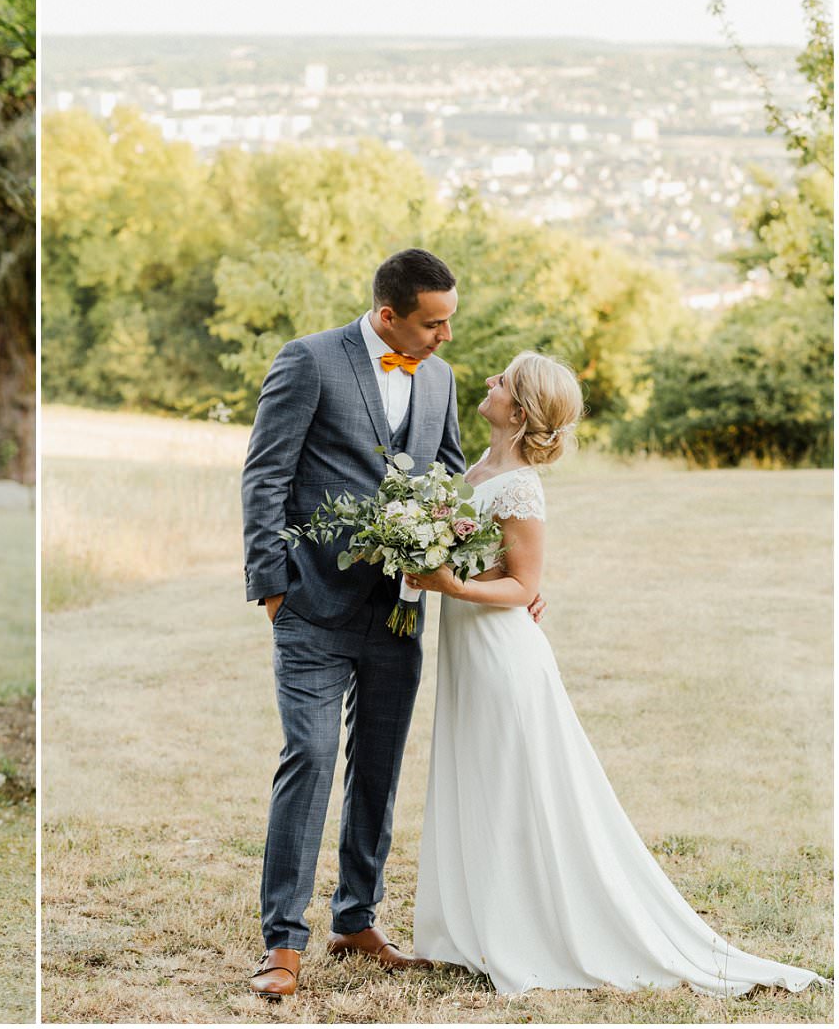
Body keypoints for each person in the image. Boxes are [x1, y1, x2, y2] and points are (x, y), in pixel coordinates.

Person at [405, 353, 822, 996]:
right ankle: (473, 926)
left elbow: (524, 586)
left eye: (504, 382)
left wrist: (449, 584)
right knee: (476, 775)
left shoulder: (521, 486)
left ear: (519, 410)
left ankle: (526, 927)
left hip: (501, 654)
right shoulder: (477, 468)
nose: (489, 382)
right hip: (469, 648)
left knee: (518, 783)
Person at [239, 249, 546, 998]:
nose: (445, 338)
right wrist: (273, 585)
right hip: (311, 605)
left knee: (378, 767)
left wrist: (504, 576)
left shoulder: (438, 381)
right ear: (389, 316)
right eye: (432, 324)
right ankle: (283, 941)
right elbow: (265, 473)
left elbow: (450, 487)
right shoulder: (308, 361)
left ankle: (356, 917)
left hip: (400, 616)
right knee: (309, 758)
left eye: (449, 322)